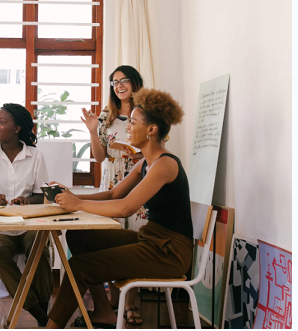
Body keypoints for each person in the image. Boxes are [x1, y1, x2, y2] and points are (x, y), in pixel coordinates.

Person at [46, 88, 194, 329]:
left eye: (133, 122)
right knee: (80, 237)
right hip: (151, 239)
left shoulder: (165, 165)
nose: (127, 127)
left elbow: (126, 207)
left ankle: (51, 327)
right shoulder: (147, 162)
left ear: (151, 130)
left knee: (79, 265)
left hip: (169, 253)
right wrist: (73, 196)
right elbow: (115, 193)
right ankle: (104, 311)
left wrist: (80, 205)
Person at [0, 103, 52, 327]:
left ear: (17, 129)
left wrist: (27, 200)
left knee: (41, 252)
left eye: (2, 121)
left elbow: (40, 196)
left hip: (28, 223)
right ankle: (42, 317)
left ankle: (43, 315)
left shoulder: (35, 156)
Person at [80, 65, 145, 324]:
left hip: (139, 178)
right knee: (112, 239)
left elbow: (156, 150)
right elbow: (99, 157)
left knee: (136, 242)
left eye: (124, 80)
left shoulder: (146, 114)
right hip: (112, 182)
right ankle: (114, 298)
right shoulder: (107, 115)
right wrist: (93, 130)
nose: (119, 86)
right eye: (114, 82)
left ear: (135, 84)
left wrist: (138, 154)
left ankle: (133, 301)